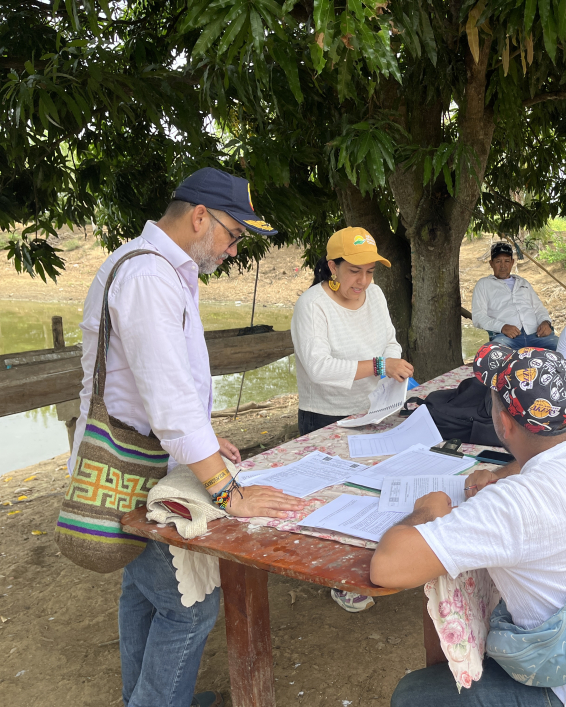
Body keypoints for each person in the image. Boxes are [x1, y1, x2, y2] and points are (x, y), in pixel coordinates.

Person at [68, 167, 303, 707]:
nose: (231, 249)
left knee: (144, 591)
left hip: (142, 455)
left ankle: (143, 698)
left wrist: (206, 438)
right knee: (187, 607)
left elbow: (166, 386)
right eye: (232, 234)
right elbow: (169, 402)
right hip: (135, 467)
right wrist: (229, 491)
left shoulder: (158, 269)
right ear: (200, 216)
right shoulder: (149, 277)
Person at [372, 344, 566, 707]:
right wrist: (497, 473)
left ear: (503, 422)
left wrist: (426, 510)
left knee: (414, 695)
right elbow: (540, 462)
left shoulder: (514, 505)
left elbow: (388, 567)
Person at [291, 225, 413, 612]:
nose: (362, 281)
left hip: (375, 406)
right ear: (333, 266)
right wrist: (380, 364)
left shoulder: (374, 295)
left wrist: (393, 366)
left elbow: (390, 340)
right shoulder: (312, 305)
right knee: (333, 498)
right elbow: (318, 367)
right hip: (325, 416)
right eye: (353, 271)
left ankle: (370, 565)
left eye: (370, 271)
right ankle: (340, 578)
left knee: (371, 491)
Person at [471, 242, 557, 350]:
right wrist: (502, 327)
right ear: (491, 263)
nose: (503, 265)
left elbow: (539, 309)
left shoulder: (523, 283)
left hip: (536, 335)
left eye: (507, 261)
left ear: (512, 262)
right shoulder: (483, 284)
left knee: (564, 350)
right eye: (498, 261)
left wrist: (545, 322)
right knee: (494, 355)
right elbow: (478, 317)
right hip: (505, 337)